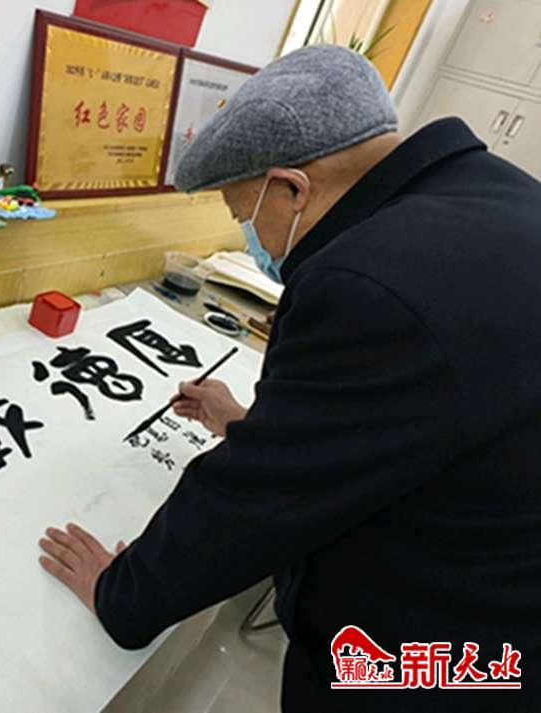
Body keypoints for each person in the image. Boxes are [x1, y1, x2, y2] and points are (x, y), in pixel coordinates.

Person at [37, 44, 541, 712]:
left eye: (244, 215)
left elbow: (250, 501)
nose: (255, 241)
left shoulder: (365, 282)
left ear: (293, 189)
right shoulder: (495, 193)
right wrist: (259, 424)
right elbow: (427, 409)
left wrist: (122, 592)